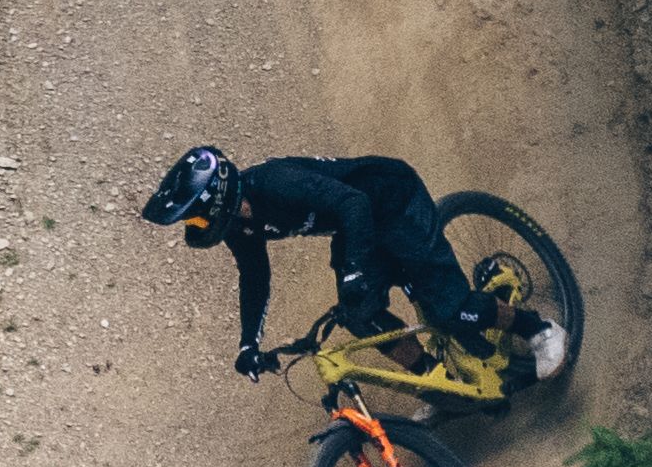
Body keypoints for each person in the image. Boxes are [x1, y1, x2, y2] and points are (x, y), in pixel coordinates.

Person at [140, 145, 494, 375]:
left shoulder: (275, 183)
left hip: (392, 198)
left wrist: (354, 269)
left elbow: (354, 203)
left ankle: (525, 326)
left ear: (215, 201)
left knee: (451, 310)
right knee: (359, 315)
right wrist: (249, 344)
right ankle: (436, 380)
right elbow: (255, 278)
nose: (195, 226)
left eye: (195, 218)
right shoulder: (240, 226)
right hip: (356, 228)